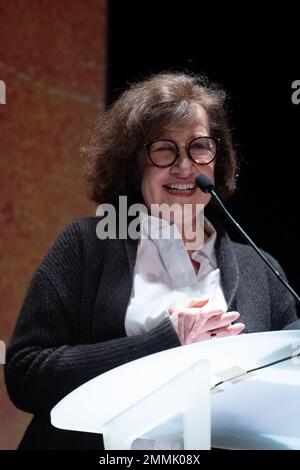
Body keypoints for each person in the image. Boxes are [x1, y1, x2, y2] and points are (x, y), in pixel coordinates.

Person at [5, 71, 298, 450]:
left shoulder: (262, 268)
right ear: (133, 163)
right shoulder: (87, 245)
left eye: (199, 147)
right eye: (164, 149)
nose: (184, 167)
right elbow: (26, 376)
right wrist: (165, 340)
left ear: (217, 160)